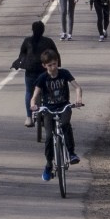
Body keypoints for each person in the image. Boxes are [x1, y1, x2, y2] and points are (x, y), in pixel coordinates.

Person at [26, 50, 84, 178]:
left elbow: (77, 87)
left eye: (55, 63)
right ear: (44, 66)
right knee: (48, 136)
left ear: (58, 62)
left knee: (65, 124)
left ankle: (71, 153)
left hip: (64, 106)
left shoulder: (64, 73)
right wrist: (33, 105)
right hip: (48, 110)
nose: (53, 67)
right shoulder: (42, 78)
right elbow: (34, 95)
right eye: (50, 65)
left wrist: (78, 99)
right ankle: (48, 165)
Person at [11, 19, 59, 114]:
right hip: (45, 71)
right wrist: (57, 67)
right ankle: (47, 112)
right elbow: (56, 54)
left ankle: (29, 117)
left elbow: (22, 54)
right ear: (43, 30)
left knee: (29, 91)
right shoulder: (48, 41)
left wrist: (19, 63)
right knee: (47, 91)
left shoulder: (27, 41)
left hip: (30, 71)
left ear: (32, 30)